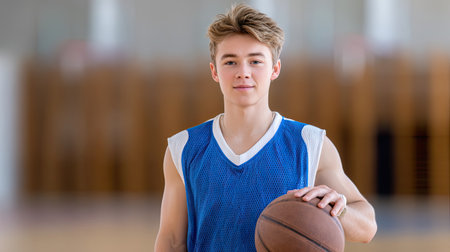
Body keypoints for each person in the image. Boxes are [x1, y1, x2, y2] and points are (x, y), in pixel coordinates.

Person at [155, 3, 377, 251]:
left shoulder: (310, 143)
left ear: (275, 69)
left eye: (255, 61)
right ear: (214, 71)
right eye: (230, 62)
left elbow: (367, 227)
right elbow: (172, 241)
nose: (243, 73)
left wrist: (340, 209)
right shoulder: (184, 147)